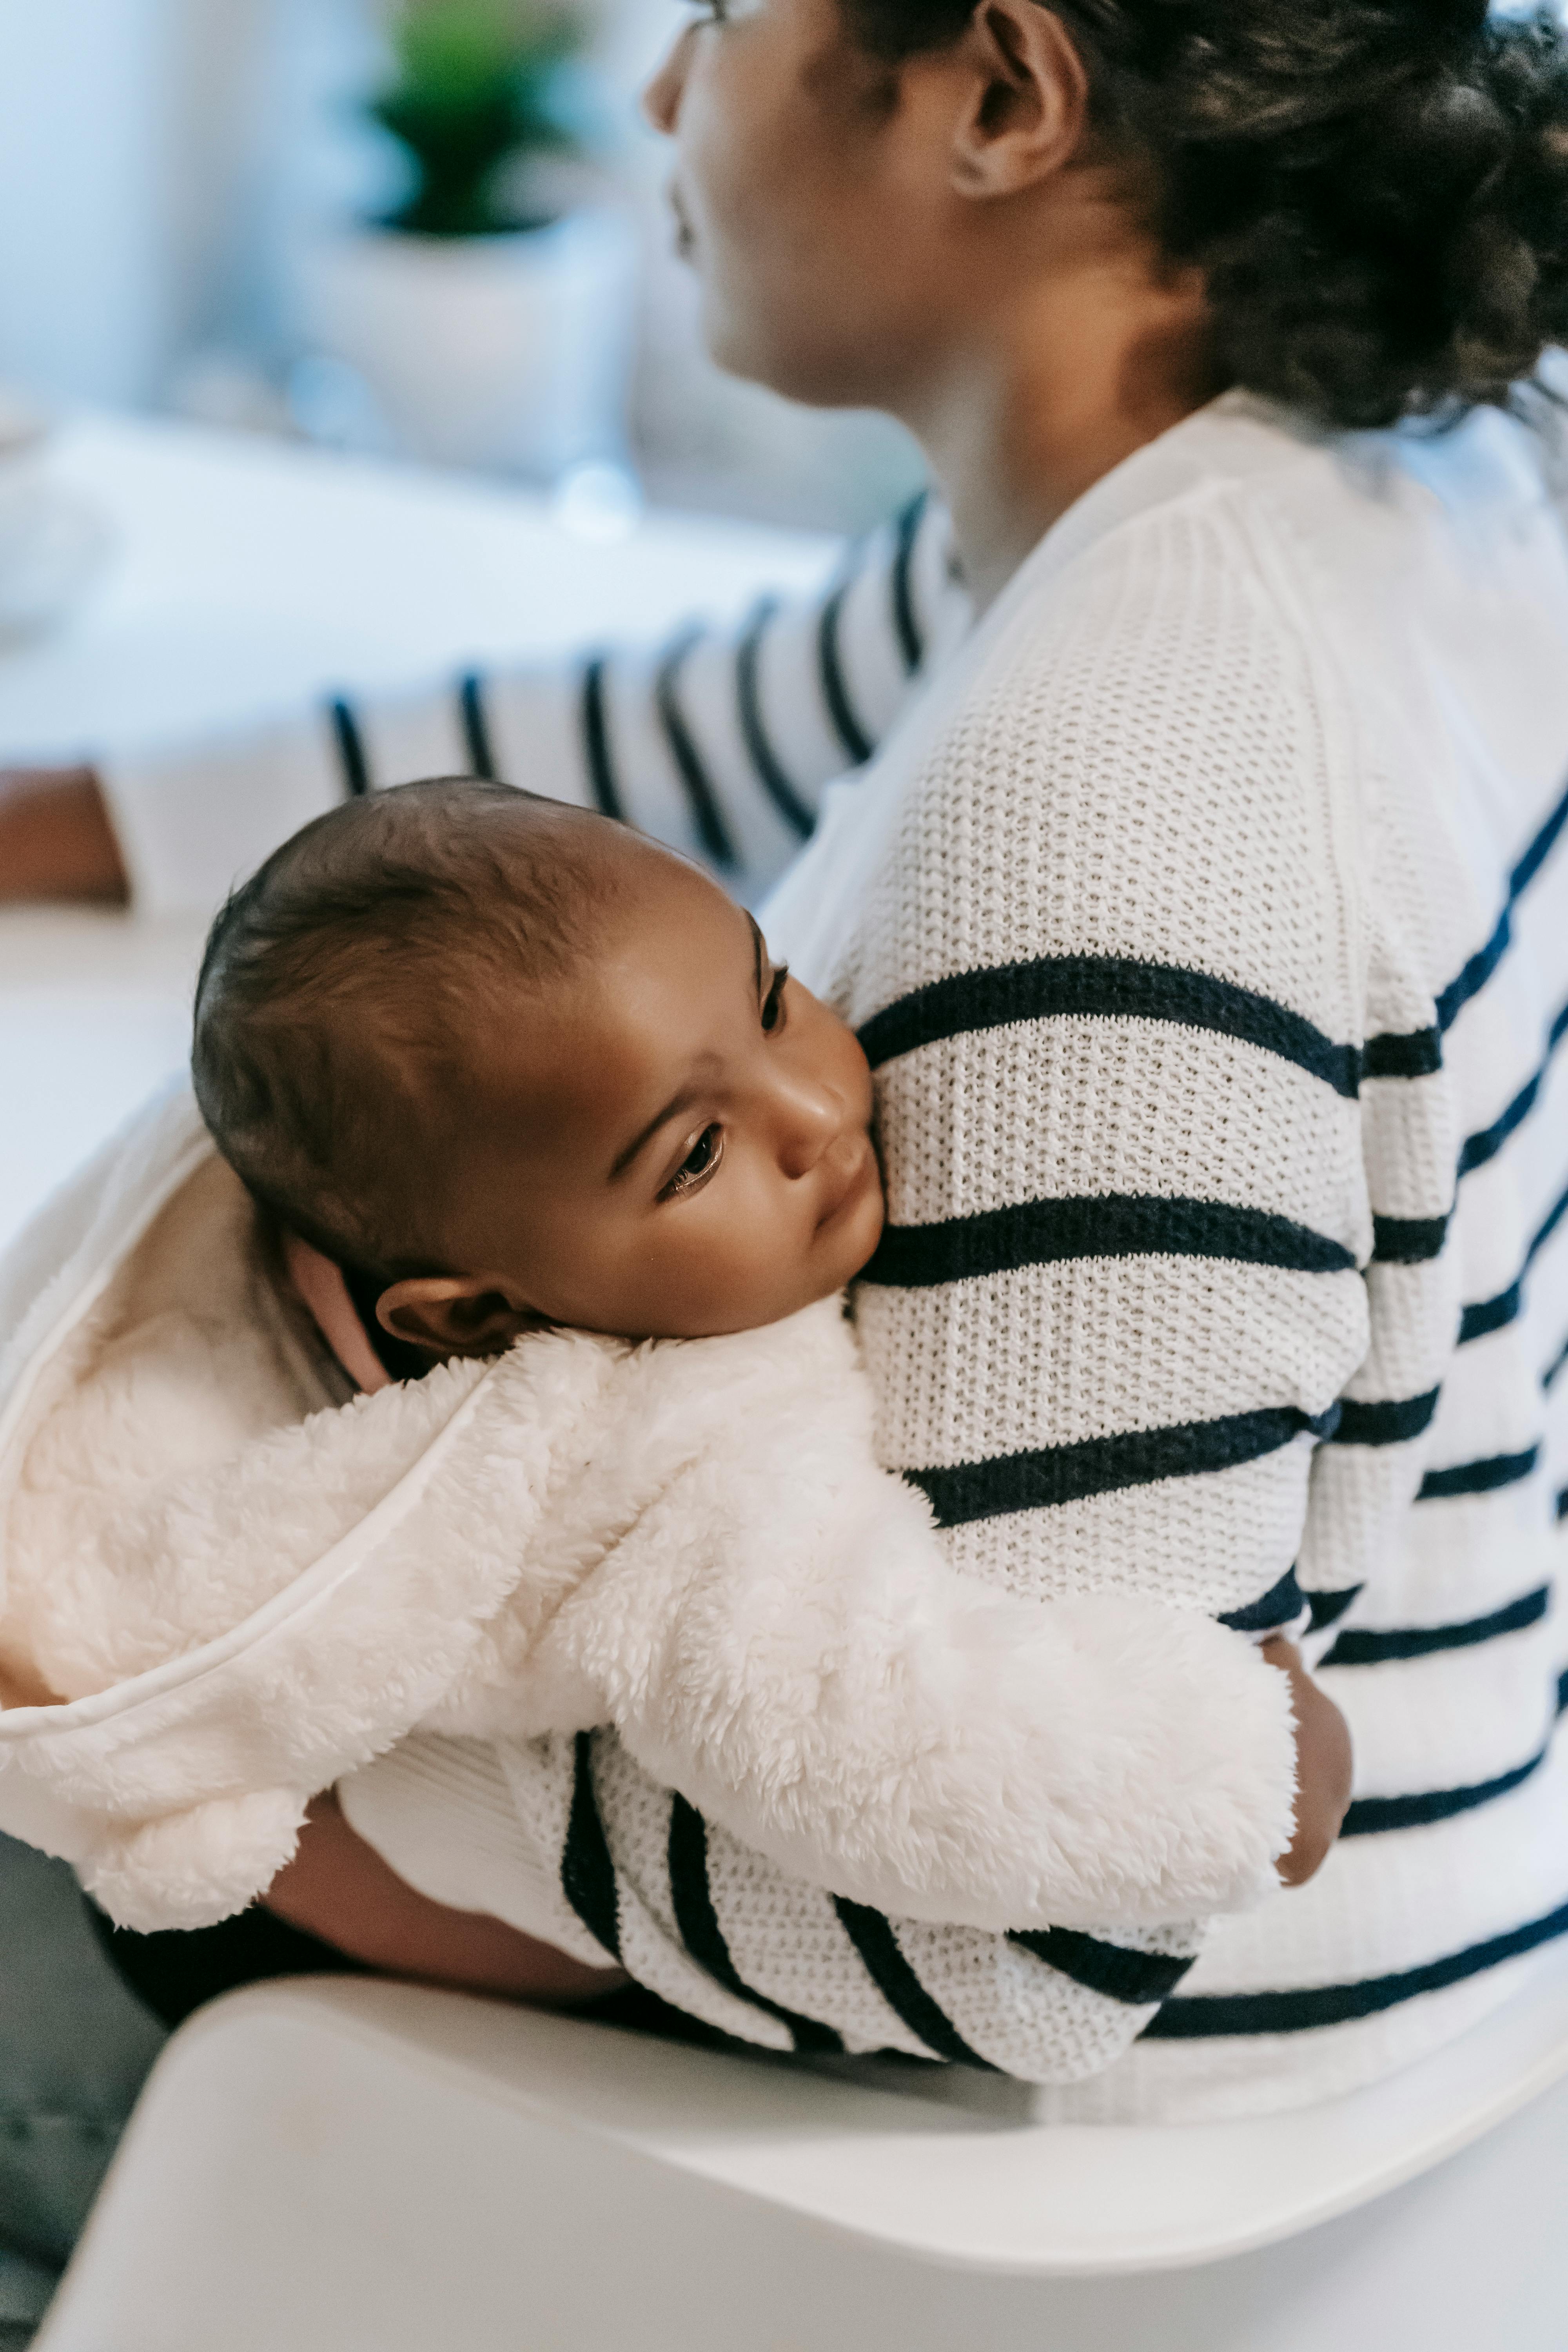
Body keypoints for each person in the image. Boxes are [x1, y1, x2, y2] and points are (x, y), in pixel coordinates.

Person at [5, 0, 1568, 2313]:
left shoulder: (1127, 801)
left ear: (1001, 95)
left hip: (998, 2170)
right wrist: (56, 820)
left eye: (725, 14)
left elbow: (1026, 1927)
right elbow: (668, 729)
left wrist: (171, 1760)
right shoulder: (1333, 469)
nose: (659, 93)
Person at [1, 779, 1345, 1960]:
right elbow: (870, 1737)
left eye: (771, 998)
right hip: (311, 1971)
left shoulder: (419, 1197)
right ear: (471, 1317)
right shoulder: (661, 1457)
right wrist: (1244, 1773)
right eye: (695, 1156)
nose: (817, 1112)